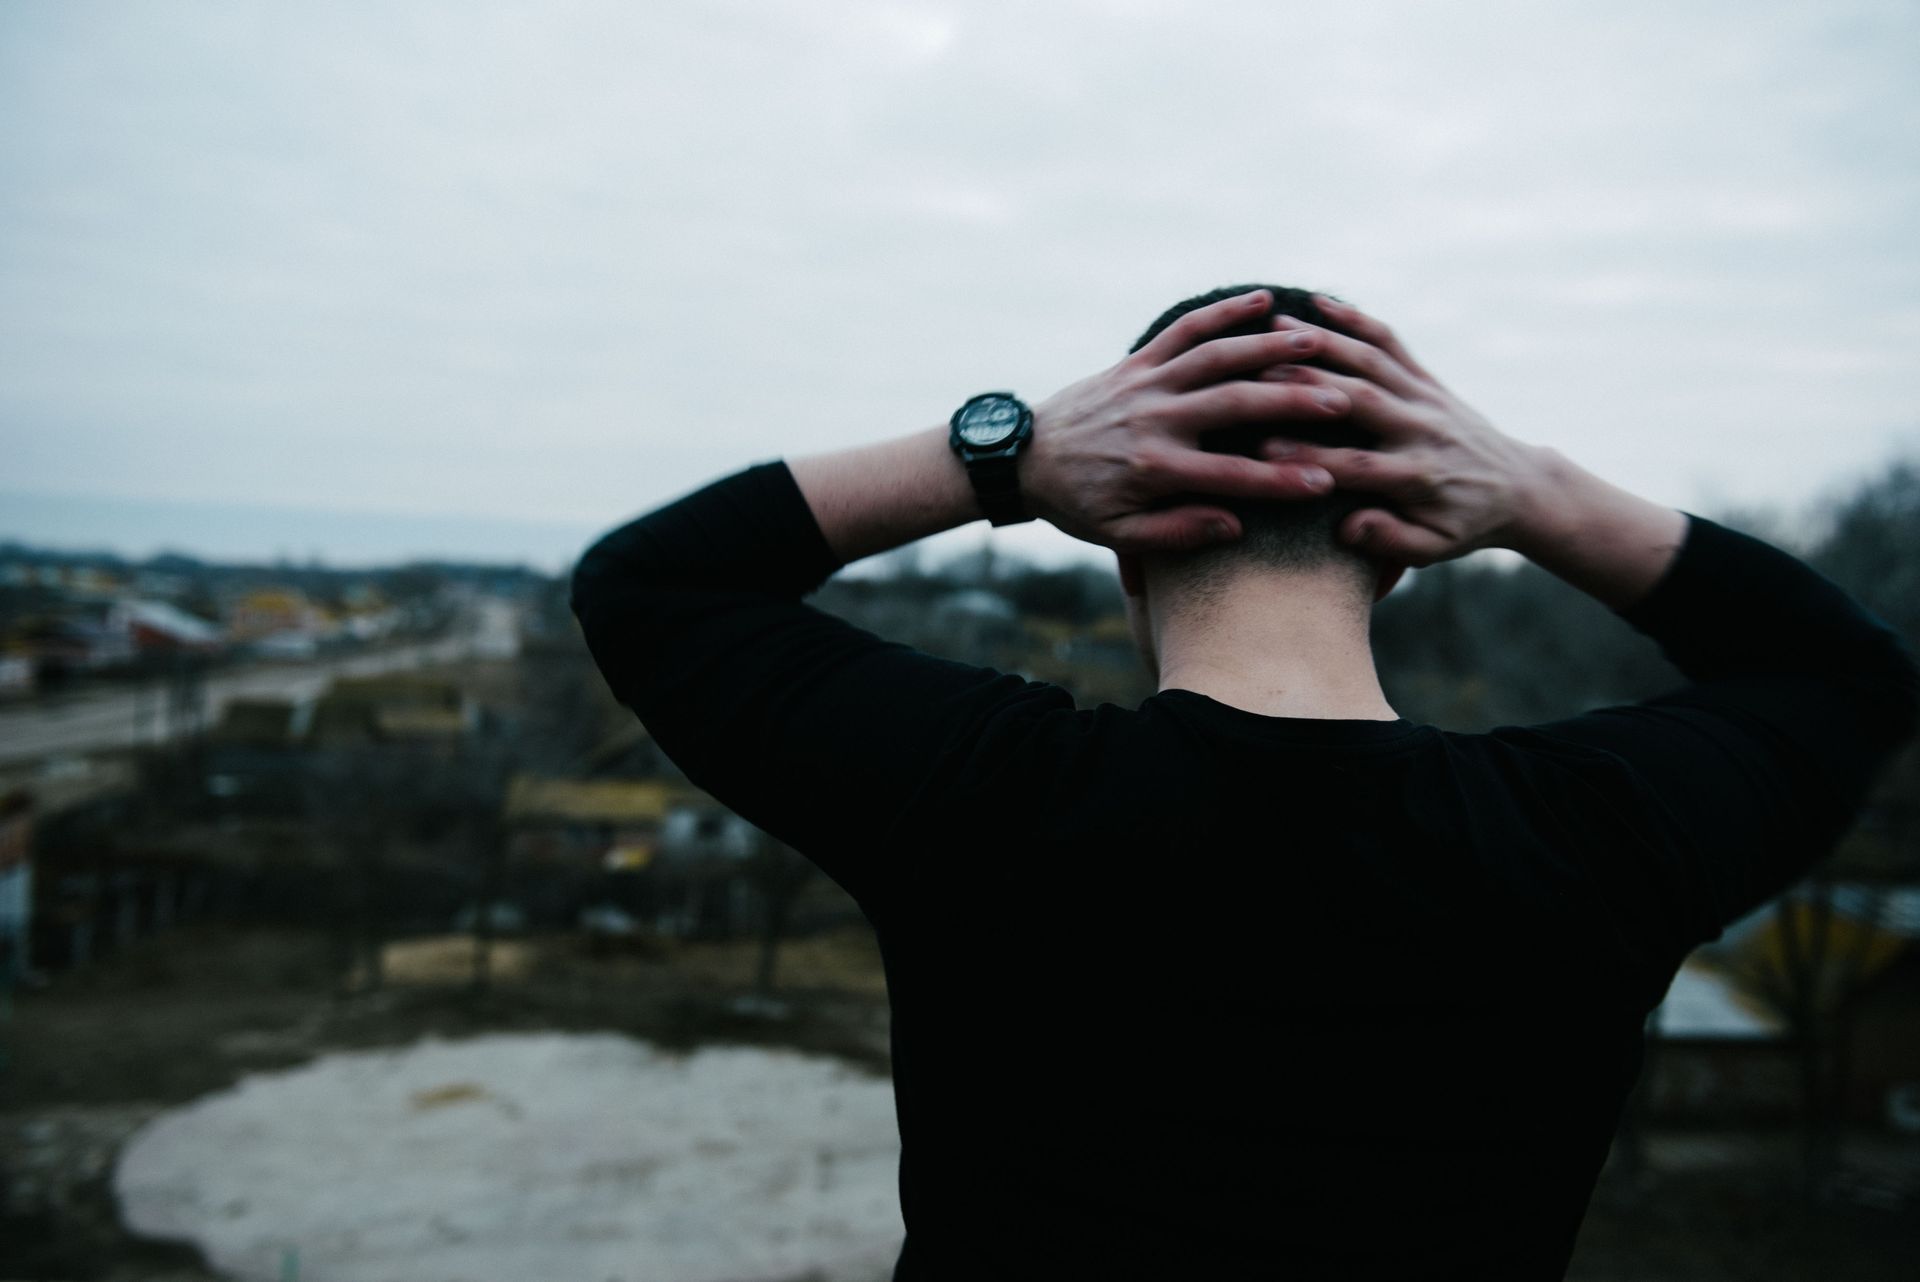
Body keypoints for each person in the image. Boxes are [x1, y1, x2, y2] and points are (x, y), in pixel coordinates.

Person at [570, 285, 1918, 1278]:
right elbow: (1847, 675)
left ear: (1122, 550)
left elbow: (652, 585)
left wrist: (1007, 452)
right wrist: (1531, 489)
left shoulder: (984, 798)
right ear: (1398, 551)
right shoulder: (1594, 837)